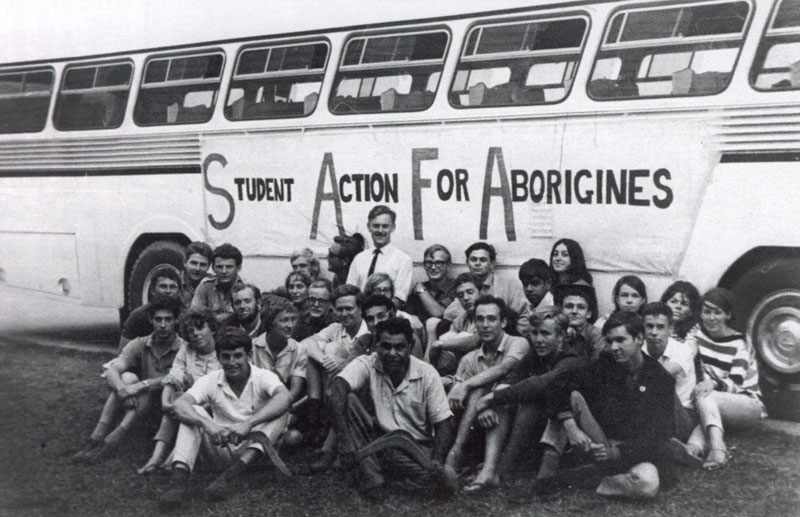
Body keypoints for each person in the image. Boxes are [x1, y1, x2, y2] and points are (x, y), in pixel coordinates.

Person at [534, 311, 676, 500]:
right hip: (599, 441)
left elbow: (659, 437)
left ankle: (588, 478)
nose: (614, 347)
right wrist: (570, 425)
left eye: (620, 340)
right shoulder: (606, 364)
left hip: (633, 453)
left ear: (639, 339)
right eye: (610, 341)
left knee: (646, 485)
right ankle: (546, 475)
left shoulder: (661, 379)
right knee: (570, 397)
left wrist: (616, 452)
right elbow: (557, 384)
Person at [158, 327, 291, 509]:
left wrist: (249, 423)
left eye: (237, 356)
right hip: (221, 445)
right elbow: (180, 404)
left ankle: (230, 477)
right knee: (193, 411)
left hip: (254, 450)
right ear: (218, 358)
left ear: (248, 356)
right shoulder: (212, 379)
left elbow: (285, 397)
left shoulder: (263, 376)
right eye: (226, 357)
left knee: (281, 410)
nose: (231, 362)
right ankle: (178, 484)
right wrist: (208, 425)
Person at [327, 318, 457, 500]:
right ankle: (373, 481)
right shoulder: (368, 363)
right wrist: (344, 440)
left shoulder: (427, 373)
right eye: (386, 347)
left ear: (410, 346)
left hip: (414, 447)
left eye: (399, 347)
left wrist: (436, 461)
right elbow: (337, 389)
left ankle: (387, 476)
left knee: (447, 479)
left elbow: (443, 422)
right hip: (378, 442)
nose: (392, 353)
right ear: (376, 345)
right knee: (347, 399)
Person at [73, 295, 184, 464]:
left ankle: (113, 440)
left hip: (167, 404)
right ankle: (96, 438)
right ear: (151, 320)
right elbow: (113, 369)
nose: (163, 325)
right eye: (158, 319)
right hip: (140, 402)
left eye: (168, 319)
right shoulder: (140, 343)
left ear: (176, 321)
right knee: (127, 377)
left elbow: (175, 378)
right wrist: (123, 390)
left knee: (145, 390)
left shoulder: (183, 348)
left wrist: (140, 386)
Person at [475, 307, 585, 478]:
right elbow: (512, 379)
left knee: (531, 402)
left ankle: (504, 470)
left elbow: (540, 384)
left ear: (561, 336)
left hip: (573, 432)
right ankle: (492, 468)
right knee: (506, 401)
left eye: (545, 334)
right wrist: (489, 404)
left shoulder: (571, 360)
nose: (538, 340)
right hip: (545, 428)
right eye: (534, 333)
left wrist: (491, 398)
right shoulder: (536, 355)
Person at [444, 296, 530, 493]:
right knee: (476, 392)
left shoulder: (518, 343)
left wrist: (467, 386)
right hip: (481, 423)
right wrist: (480, 405)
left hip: (516, 419)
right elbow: (458, 399)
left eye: (491, 319)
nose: (485, 325)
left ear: (504, 322)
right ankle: (459, 456)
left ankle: (459, 457)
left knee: (491, 395)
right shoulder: (469, 359)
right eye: (480, 319)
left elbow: (504, 368)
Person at [640, 302, 729, 471]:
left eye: (660, 327)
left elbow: (659, 376)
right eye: (649, 326)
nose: (654, 332)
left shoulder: (682, 351)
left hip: (683, 416)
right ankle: (675, 448)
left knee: (660, 385)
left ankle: (669, 445)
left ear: (670, 329)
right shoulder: (640, 349)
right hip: (655, 414)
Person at [138, 308, 221, 474]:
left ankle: (171, 460)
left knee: (185, 407)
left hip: (214, 410)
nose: (195, 334)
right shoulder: (187, 349)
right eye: (191, 331)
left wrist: (186, 407)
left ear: (212, 328)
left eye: (200, 328)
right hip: (189, 402)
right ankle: (156, 458)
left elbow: (219, 393)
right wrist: (165, 401)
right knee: (177, 401)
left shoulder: (222, 353)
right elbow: (175, 375)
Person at [300, 284, 370, 465]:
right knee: (321, 352)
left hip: (362, 387)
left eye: (349, 308)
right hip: (335, 384)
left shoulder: (369, 329)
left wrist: (343, 363)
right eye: (339, 309)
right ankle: (323, 417)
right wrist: (328, 361)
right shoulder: (336, 328)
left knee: (331, 348)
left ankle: (325, 430)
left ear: (360, 309)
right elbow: (306, 343)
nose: (344, 314)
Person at [689, 288, 766, 433]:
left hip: (746, 404)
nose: (712, 318)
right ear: (700, 314)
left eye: (717, 312)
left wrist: (712, 383)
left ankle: (717, 444)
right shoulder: (697, 336)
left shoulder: (740, 342)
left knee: (704, 397)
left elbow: (736, 383)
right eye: (707, 312)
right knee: (704, 406)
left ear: (728, 315)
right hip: (711, 402)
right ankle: (695, 446)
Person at [252, 296, 307, 446]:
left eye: (293, 319)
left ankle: (263, 446)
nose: (290, 325)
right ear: (270, 323)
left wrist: (278, 406)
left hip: (282, 404)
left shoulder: (299, 350)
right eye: (284, 320)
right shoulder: (252, 347)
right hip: (254, 405)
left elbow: (294, 391)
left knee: (294, 437)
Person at [346, 205, 413, 306]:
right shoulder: (359, 258)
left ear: (393, 228)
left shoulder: (403, 260)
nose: (380, 230)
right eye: (376, 226)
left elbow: (398, 299)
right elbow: (350, 292)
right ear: (369, 227)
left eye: (385, 226)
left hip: (386, 313)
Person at [445, 242, 529, 321]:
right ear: (467, 263)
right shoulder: (464, 286)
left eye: (483, 260)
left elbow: (524, 314)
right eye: (473, 260)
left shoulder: (508, 285)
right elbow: (449, 314)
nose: (477, 263)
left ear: (492, 264)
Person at [427, 273, 484, 377]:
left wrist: (440, 344)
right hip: (460, 366)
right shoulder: (461, 319)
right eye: (460, 295)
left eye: (470, 292)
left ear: (481, 293)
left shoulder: (487, 315)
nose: (465, 298)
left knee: (461, 336)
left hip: (484, 367)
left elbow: (474, 341)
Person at [118, 265, 182, 350]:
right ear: (152, 290)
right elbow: (123, 352)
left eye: (172, 287)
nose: (168, 291)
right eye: (163, 286)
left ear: (179, 292)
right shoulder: (138, 316)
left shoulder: (186, 317)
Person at [405, 244, 459, 331]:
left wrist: (421, 291)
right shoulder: (420, 288)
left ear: (448, 266)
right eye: (429, 263)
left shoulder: (457, 286)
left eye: (439, 263)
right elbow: (407, 315)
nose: (433, 267)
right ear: (424, 265)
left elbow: (439, 313)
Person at [356, 294, 424, 358]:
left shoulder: (408, 338)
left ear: (392, 315)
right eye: (370, 319)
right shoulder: (364, 341)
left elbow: (415, 365)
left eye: (381, 316)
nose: (376, 323)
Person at [364, 272, 424, 344]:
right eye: (377, 290)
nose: (382, 294)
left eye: (386, 290)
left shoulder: (408, 319)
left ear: (392, 293)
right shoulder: (363, 317)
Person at [191, 243, 245, 321]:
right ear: (213, 268)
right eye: (219, 267)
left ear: (238, 268)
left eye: (229, 267)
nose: (224, 271)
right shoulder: (206, 286)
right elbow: (195, 315)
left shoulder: (245, 287)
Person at [553, 281, 605, 359]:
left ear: (589, 314)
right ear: (561, 310)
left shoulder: (597, 336)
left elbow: (597, 363)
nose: (574, 311)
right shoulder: (555, 331)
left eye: (581, 307)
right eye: (569, 306)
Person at [515, 258, 555, 335]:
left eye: (535, 283)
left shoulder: (553, 308)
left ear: (548, 284)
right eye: (525, 284)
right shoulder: (528, 307)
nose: (529, 289)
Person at [179, 241, 213, 309]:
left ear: (209, 266)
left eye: (203, 265)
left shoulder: (213, 284)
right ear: (185, 262)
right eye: (194, 263)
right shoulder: (174, 282)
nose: (197, 269)